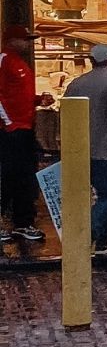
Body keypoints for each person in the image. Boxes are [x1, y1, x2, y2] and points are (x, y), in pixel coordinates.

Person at [63, 45, 107, 256]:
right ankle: (91, 237)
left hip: (77, 151)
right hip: (106, 149)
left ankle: (99, 240)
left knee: (81, 195)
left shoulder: (76, 83)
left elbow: (65, 113)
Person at [0, 28, 47, 248]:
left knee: (25, 177)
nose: (29, 44)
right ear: (12, 41)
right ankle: (14, 221)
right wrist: (9, 123)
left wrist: (38, 100)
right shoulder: (5, 61)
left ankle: (23, 221)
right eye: (25, 39)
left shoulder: (20, 64)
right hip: (12, 130)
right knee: (8, 177)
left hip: (23, 127)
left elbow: (18, 95)